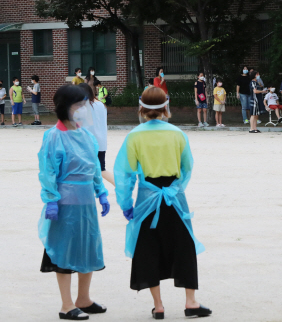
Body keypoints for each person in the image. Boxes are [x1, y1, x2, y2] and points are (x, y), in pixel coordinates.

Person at [114, 87, 210, 320]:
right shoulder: (177, 134)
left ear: (142, 109)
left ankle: (158, 306)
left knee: (148, 248)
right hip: (174, 198)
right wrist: (176, 189)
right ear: (166, 107)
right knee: (183, 246)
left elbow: (124, 174)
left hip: (147, 198)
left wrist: (126, 203)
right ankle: (191, 302)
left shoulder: (134, 136)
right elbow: (187, 167)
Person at [38, 84, 110, 321]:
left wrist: (101, 193)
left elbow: (94, 169)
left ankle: (83, 299)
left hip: (87, 202)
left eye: (85, 104)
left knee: (88, 247)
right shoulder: (53, 137)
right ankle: (66, 305)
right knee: (64, 250)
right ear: (65, 107)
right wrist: (50, 200)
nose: (83, 109)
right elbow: (47, 171)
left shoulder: (86, 135)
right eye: (78, 104)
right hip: (65, 203)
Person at [78, 83, 114, 186]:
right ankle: (120, 186)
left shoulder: (82, 107)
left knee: (83, 169)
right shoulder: (101, 105)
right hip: (101, 141)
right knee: (102, 169)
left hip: (87, 143)